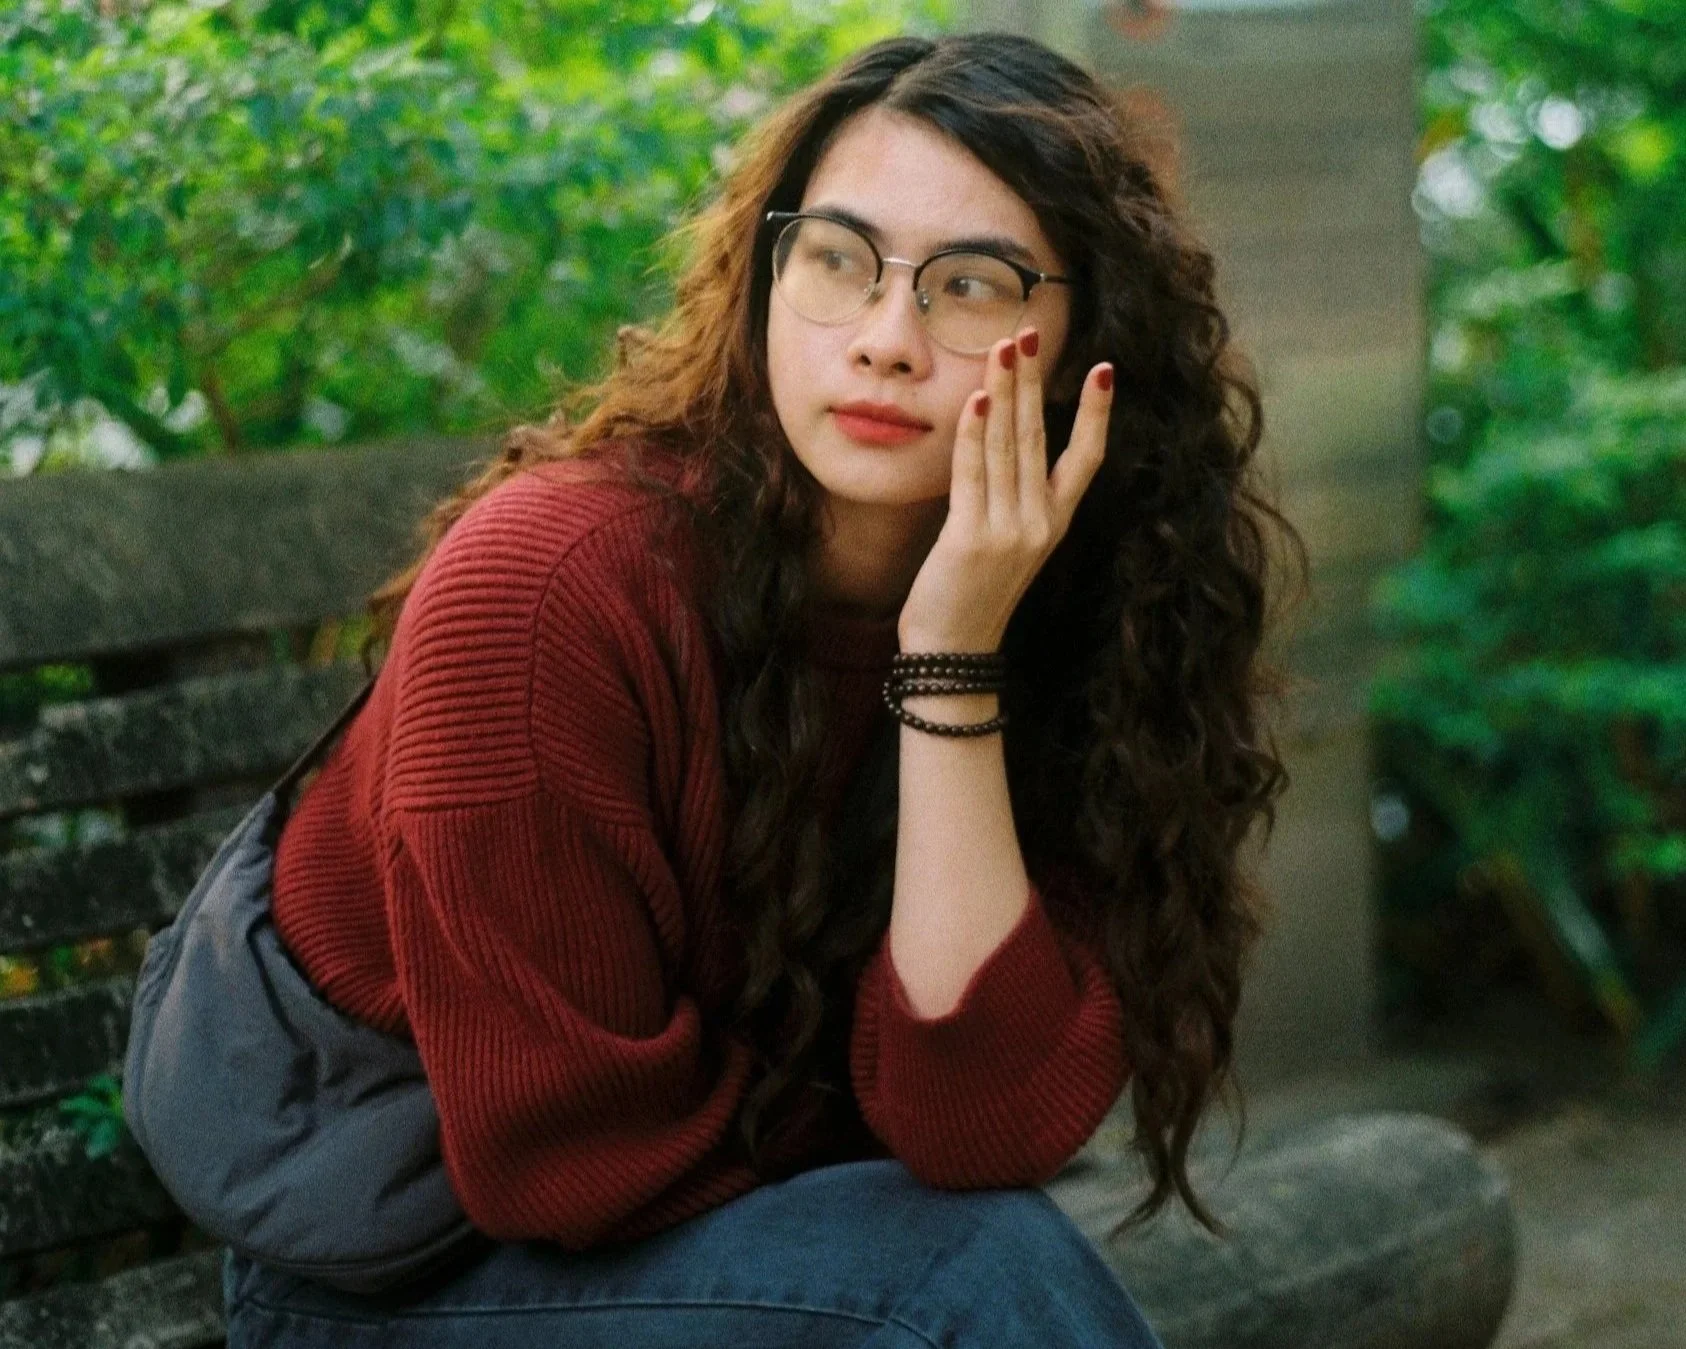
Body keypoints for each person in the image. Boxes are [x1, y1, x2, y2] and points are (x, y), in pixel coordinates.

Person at [222, 27, 1298, 1348]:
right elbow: (562, 1164)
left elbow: (980, 1124)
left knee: (975, 1269)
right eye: (837, 260)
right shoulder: (551, 583)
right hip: (404, 1281)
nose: (887, 340)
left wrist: (948, 661)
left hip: (745, 1242)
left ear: (1090, 342)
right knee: (971, 1285)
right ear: (762, 279)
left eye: (971, 285)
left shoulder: (1077, 621)